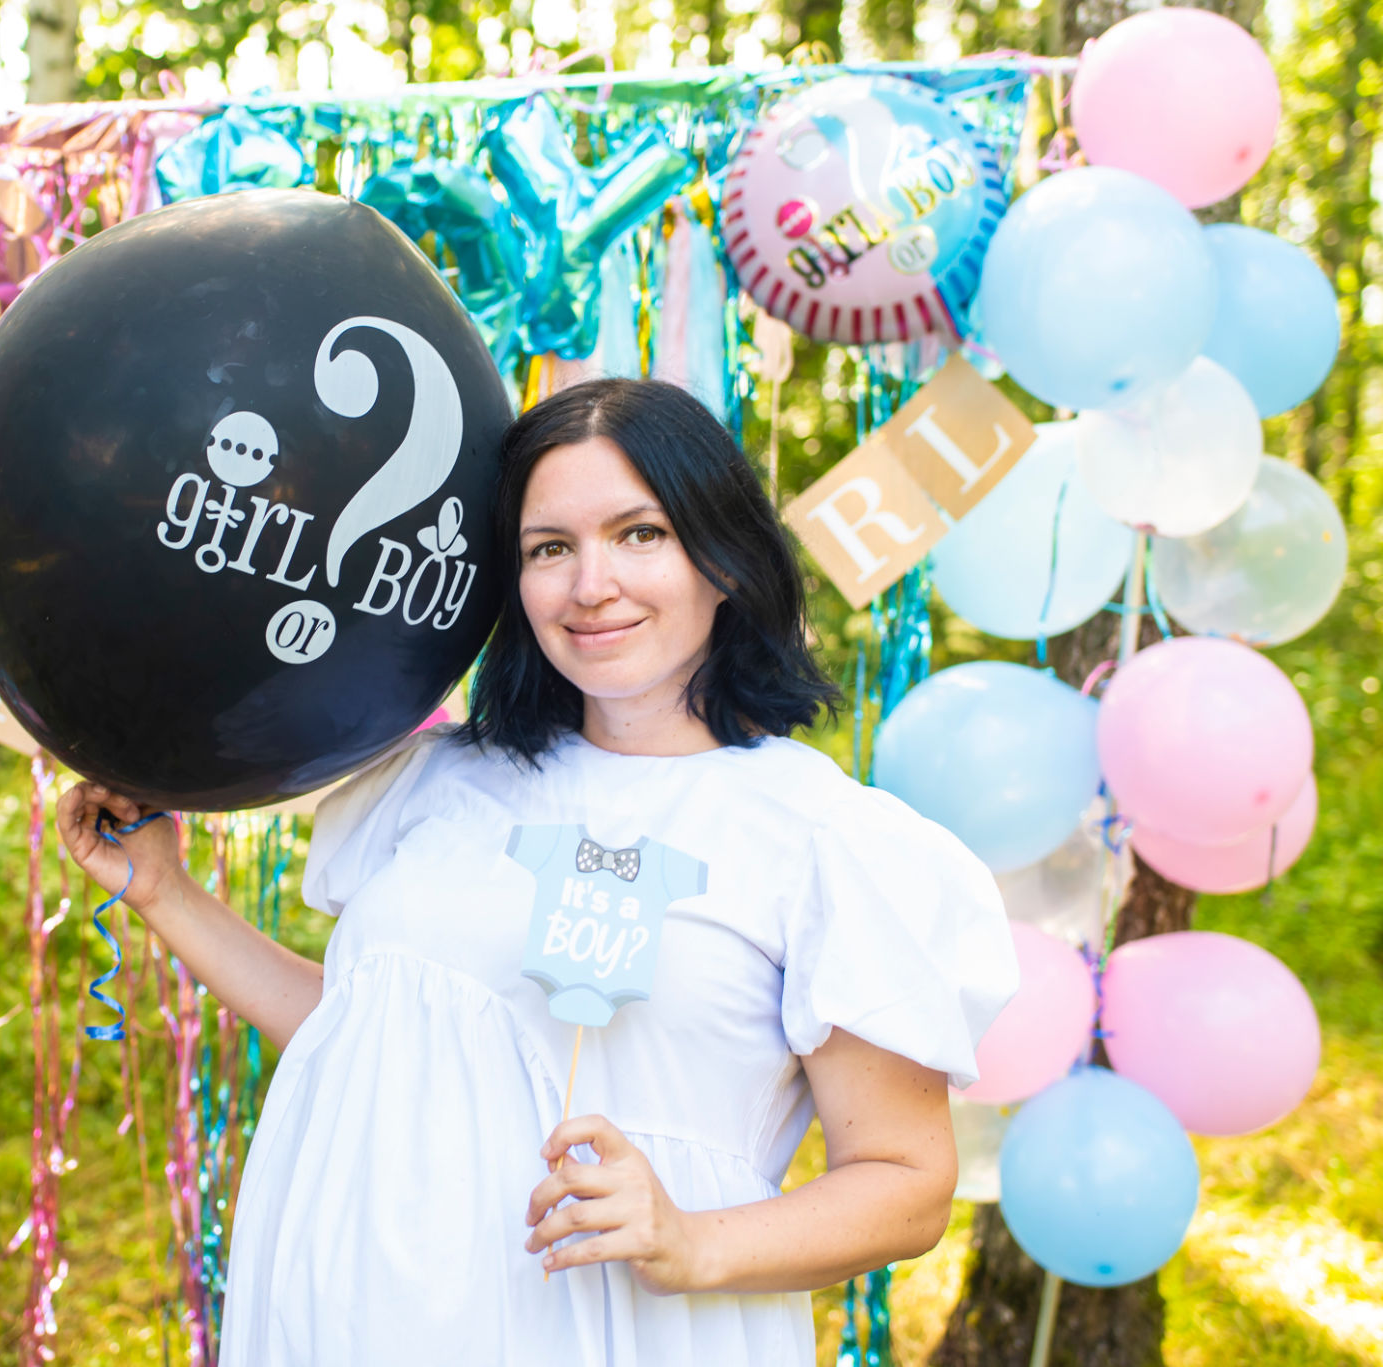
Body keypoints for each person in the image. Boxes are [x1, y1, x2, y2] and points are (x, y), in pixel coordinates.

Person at [58, 378, 1018, 1366]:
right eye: (547, 547)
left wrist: (689, 1237)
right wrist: (165, 893)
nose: (588, 583)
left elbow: (904, 1181)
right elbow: (370, 1034)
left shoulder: (820, 836)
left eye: (638, 532)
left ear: (722, 557)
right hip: (361, 1317)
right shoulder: (436, 779)